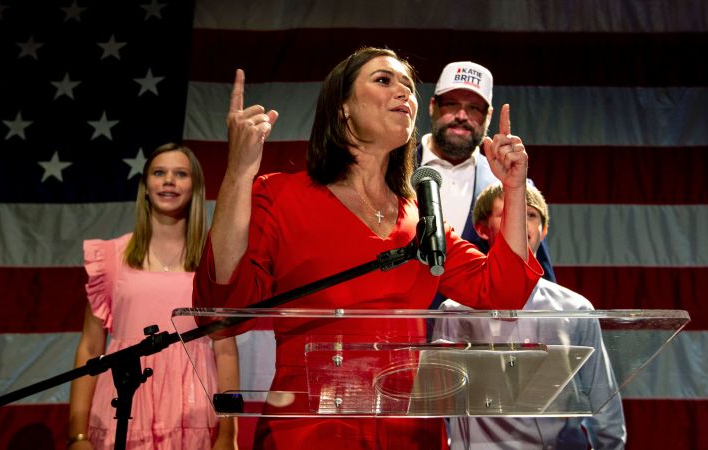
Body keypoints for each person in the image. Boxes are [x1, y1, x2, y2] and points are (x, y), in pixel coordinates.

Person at [192, 47, 544, 450]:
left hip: (409, 434)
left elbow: (503, 291)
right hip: (308, 434)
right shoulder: (280, 196)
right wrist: (238, 171)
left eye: (409, 87)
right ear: (342, 108)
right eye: (384, 81)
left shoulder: (420, 217)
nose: (404, 94)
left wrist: (515, 188)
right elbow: (221, 312)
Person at [68, 143, 240, 450]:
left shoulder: (212, 263)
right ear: (146, 186)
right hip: (122, 407)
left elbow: (226, 352)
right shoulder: (110, 258)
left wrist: (229, 434)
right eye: (159, 173)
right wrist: (77, 434)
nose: (168, 181)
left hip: (192, 411)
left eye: (180, 174)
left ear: (195, 187)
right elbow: (90, 347)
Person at [435, 182, 627, 449]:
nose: (520, 223)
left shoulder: (576, 309)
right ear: (481, 228)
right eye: (507, 214)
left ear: (544, 229)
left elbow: (602, 397)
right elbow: (440, 405)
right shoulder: (454, 313)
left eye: (530, 215)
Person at [416, 61, 556, 289]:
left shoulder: (512, 185)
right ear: (433, 106)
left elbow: (538, 286)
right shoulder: (391, 172)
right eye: (451, 104)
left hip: (479, 323)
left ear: (488, 116)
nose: (461, 115)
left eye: (474, 108)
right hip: (403, 322)